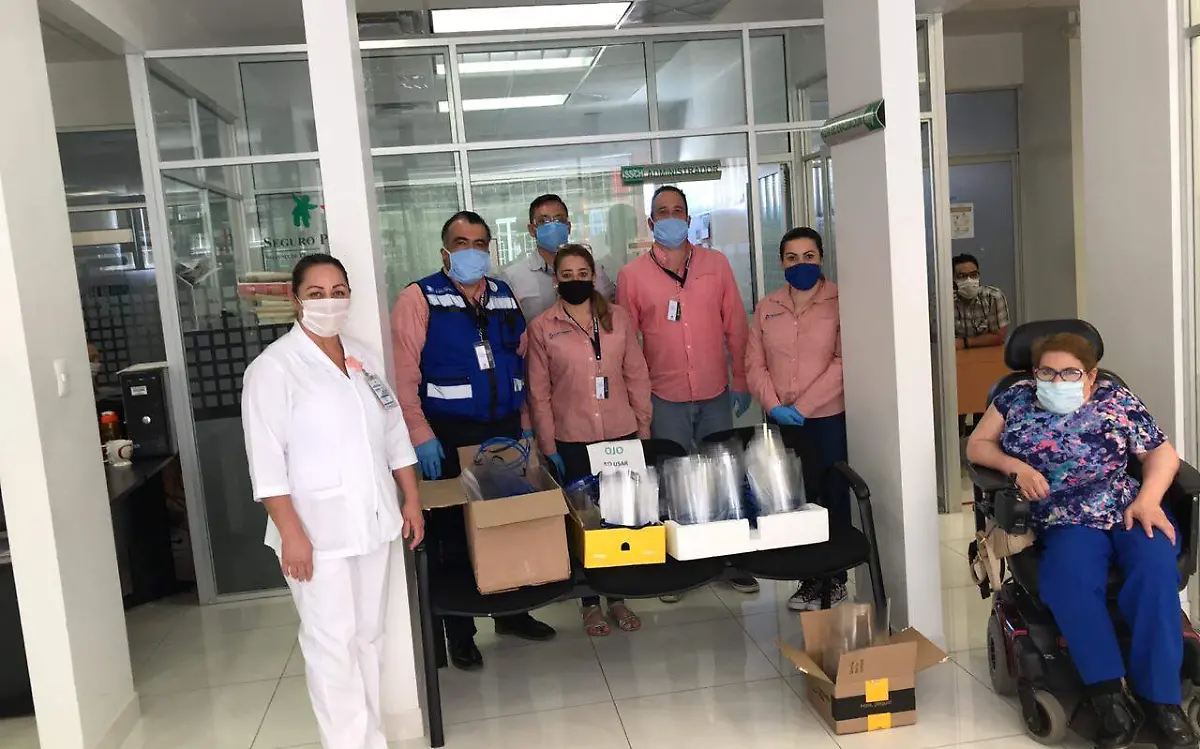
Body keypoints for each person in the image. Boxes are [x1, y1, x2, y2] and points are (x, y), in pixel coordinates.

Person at [966, 333, 1196, 749]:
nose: (1057, 381)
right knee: (1068, 581)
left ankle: (1163, 701)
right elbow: (977, 445)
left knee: (1155, 571)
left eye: (1069, 373)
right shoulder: (1014, 399)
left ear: (1090, 376)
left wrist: (1148, 500)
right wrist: (1015, 467)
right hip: (1064, 517)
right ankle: (1109, 698)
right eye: (1047, 372)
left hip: (1128, 507)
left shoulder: (1117, 398)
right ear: (1033, 372)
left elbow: (1161, 454)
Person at [241, 253, 425, 749]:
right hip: (314, 532)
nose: (330, 302)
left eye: (338, 292)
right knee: (331, 645)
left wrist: (410, 499)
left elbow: (394, 434)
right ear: (295, 299)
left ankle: (371, 738)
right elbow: (266, 463)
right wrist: (292, 535)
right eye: (317, 294)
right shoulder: (273, 368)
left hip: (374, 520)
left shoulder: (363, 359)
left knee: (368, 638)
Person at [392, 210, 555, 672]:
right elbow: (403, 375)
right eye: (462, 243)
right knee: (452, 534)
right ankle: (460, 634)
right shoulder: (418, 297)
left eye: (480, 243)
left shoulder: (502, 294)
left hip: (502, 429)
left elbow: (521, 363)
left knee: (508, 521)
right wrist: (420, 435)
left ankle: (512, 614)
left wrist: (526, 424)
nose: (472, 251)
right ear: (445, 252)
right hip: (447, 433)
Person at [617, 184, 757, 597]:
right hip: (663, 395)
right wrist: (637, 398)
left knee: (723, 473)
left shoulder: (716, 264)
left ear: (689, 218)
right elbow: (627, 343)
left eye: (678, 210)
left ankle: (729, 561)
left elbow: (736, 325)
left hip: (715, 391)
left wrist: (741, 379)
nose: (671, 218)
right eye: (662, 211)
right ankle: (678, 566)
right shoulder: (632, 276)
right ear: (651, 222)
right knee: (671, 478)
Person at [526, 244, 652, 636]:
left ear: (594, 276)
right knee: (585, 522)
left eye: (583, 274)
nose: (576, 281)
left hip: (620, 433)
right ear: (555, 280)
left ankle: (618, 597)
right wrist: (548, 445)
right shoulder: (543, 327)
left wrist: (643, 428)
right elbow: (538, 392)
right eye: (567, 275)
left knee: (619, 518)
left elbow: (636, 374)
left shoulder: (618, 318)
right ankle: (589, 604)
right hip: (573, 439)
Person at [745, 227, 848, 612]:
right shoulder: (767, 306)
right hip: (782, 422)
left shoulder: (841, 300)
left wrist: (804, 407)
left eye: (808, 256)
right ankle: (809, 578)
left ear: (821, 258)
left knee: (832, 496)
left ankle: (834, 579)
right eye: (792, 258)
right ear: (781, 263)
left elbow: (843, 362)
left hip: (826, 419)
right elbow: (754, 363)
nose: (800, 264)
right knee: (795, 498)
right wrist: (773, 406)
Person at [501, 193, 616, 322]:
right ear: (532, 230)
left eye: (559, 220)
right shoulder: (513, 278)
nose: (552, 226)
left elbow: (612, 314)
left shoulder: (595, 271)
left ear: (568, 227)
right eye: (543, 221)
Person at [952, 253, 1010, 349]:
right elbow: (935, 338)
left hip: (987, 353)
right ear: (953, 280)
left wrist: (965, 342)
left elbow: (999, 337)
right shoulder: (944, 302)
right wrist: (947, 311)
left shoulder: (993, 296)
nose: (969, 280)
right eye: (962, 276)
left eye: (973, 275)